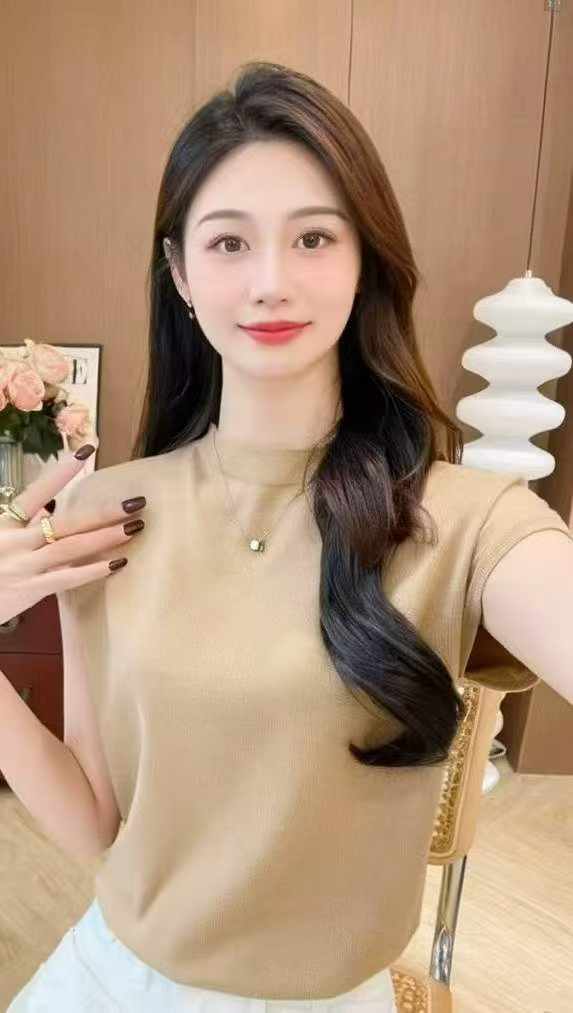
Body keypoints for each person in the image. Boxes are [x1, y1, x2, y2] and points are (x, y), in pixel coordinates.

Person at [4, 61, 572, 1012]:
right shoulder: (109, 508)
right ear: (181, 273)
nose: (270, 282)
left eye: (313, 237)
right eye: (228, 242)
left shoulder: (469, 523)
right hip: (109, 976)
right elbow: (96, 820)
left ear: (364, 261)